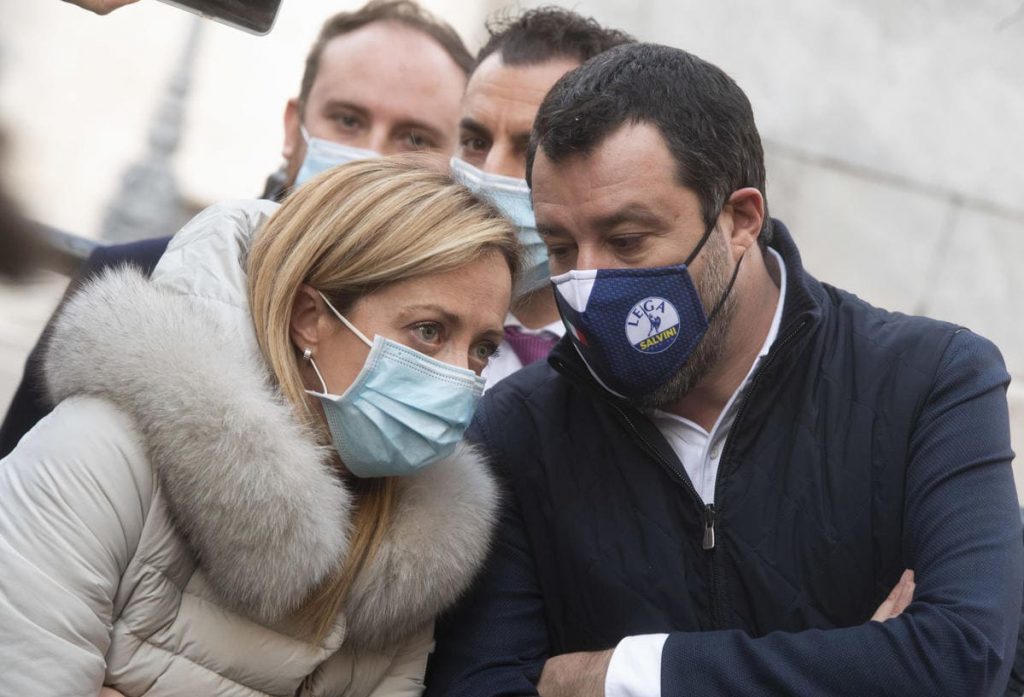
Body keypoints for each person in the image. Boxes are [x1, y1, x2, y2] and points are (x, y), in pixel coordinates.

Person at [425, 43, 1023, 696]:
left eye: (627, 241)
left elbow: (960, 659)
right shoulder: (513, 432)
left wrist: (619, 676)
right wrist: (859, 668)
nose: (588, 284)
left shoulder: (929, 381)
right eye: (561, 248)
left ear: (740, 219)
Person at [0, 157, 520, 696]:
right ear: (309, 317)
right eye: (429, 331)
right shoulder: (100, 456)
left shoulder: (416, 551)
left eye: (483, 348)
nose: (461, 375)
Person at [0, 0, 474, 457]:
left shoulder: (459, 356)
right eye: (347, 120)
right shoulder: (130, 280)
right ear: (293, 129)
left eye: (415, 139)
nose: (370, 158)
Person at [448, 8, 632, 388]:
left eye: (530, 150)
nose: (491, 174)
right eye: (476, 142)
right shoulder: (394, 327)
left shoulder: (640, 347)